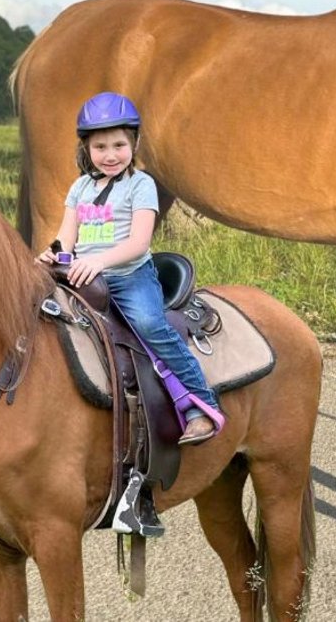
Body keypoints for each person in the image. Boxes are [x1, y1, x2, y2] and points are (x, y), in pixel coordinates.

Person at [37, 92, 225, 453]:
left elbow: (138, 243)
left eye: (119, 144)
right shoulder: (80, 188)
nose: (110, 155)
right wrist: (49, 255)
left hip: (128, 275)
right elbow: (65, 237)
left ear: (134, 142)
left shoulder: (141, 185)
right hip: (84, 275)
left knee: (150, 324)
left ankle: (202, 405)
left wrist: (98, 261)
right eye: (101, 146)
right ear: (87, 149)